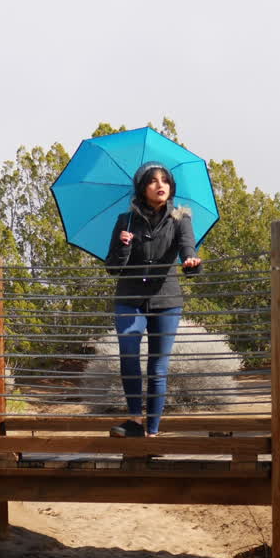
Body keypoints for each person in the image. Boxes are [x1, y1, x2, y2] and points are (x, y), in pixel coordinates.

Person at [104, 161, 203, 438]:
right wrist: (124, 246)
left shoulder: (181, 218)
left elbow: (187, 248)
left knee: (158, 368)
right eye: (153, 181)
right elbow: (112, 267)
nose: (160, 185)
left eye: (165, 181)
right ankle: (135, 421)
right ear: (142, 188)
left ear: (171, 188)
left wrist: (192, 262)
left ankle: (153, 432)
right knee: (128, 353)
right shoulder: (125, 221)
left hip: (166, 300)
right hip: (130, 298)